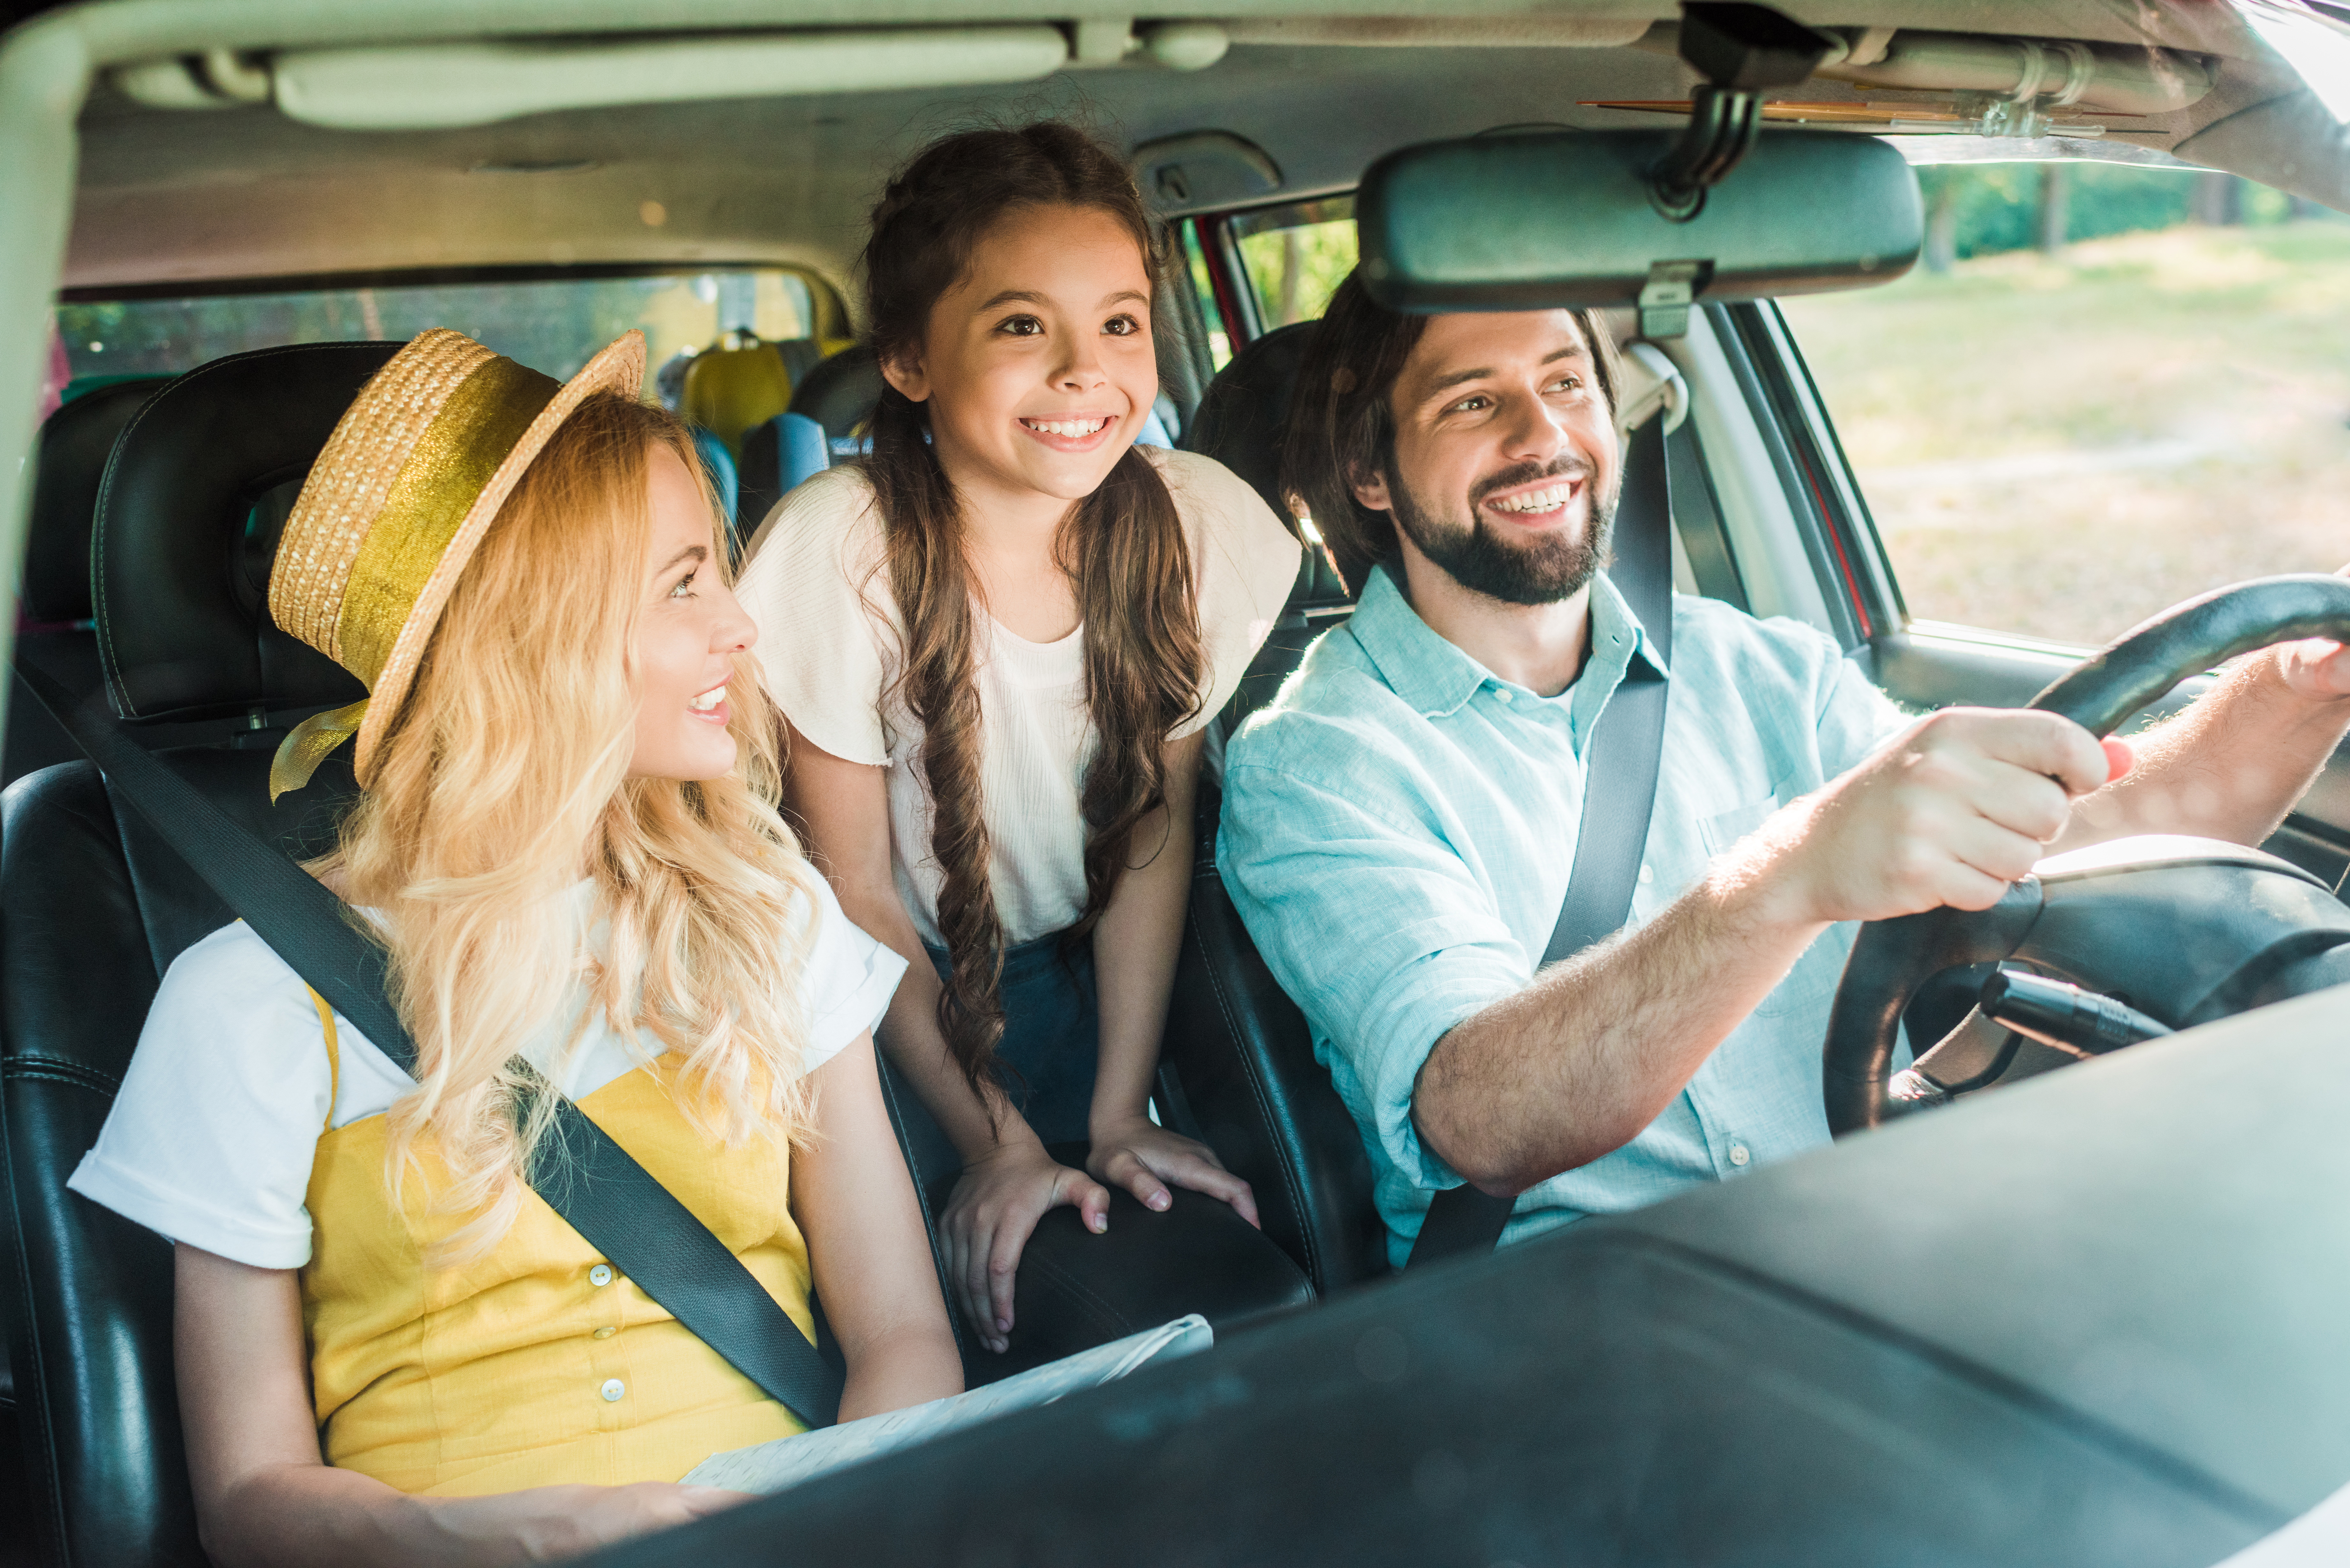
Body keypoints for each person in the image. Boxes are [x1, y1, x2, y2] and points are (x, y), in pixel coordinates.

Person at [1217, 274, 2350, 1267]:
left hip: (1884, 1222)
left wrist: (2302, 684)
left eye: (1567, 384)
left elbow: (2081, 836)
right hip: (1584, 1302)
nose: (1543, 436)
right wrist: (1793, 871)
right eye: (1473, 401)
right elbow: (1479, 1116)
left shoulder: (1750, 662)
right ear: (1371, 471)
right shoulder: (1314, 764)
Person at [68, 328, 962, 1566]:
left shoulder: (770, 912)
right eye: (683, 583)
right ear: (530, 640)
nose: (741, 626)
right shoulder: (249, 1003)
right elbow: (249, 1499)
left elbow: (904, 1338)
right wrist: (493, 1536)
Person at [738, 122, 1301, 1355]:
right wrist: (996, 1140)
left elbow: (1153, 837)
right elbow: (860, 900)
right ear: (906, 358)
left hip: (1093, 987)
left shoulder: (1193, 526)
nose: (1086, 371)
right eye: (1019, 326)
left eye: (1120, 322)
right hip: (882, 1013)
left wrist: (1117, 1111)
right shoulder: (842, 552)